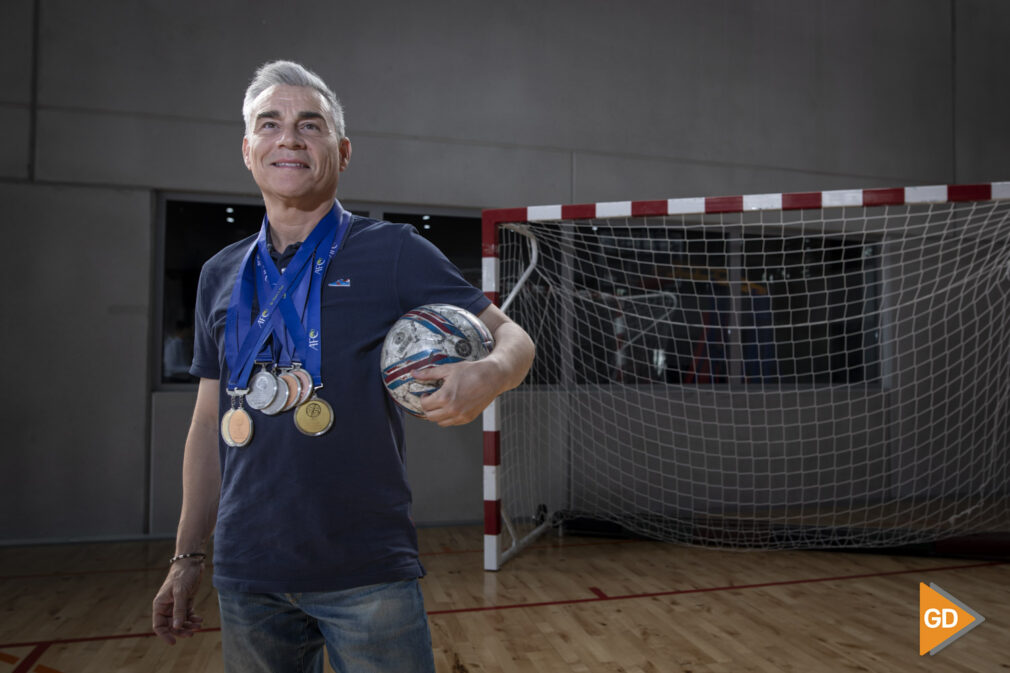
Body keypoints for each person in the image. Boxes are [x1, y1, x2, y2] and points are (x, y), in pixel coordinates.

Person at [151, 60, 535, 672]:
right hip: (248, 571)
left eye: (311, 124)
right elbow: (207, 425)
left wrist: (489, 373)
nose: (290, 137)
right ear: (247, 150)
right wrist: (186, 556)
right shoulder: (220, 274)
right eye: (270, 124)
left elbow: (513, 337)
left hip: (366, 570)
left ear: (342, 150)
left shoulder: (392, 251)